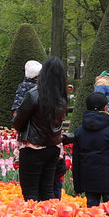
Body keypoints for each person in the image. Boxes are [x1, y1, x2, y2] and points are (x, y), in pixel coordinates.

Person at [12, 57, 70, 201]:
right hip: (53, 147)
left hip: (33, 147)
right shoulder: (62, 97)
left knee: (31, 193)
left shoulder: (34, 94)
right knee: (47, 190)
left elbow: (17, 122)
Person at [71, 90, 109, 207]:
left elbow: (76, 161)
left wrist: (78, 187)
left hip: (88, 182)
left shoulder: (80, 131)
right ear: (105, 108)